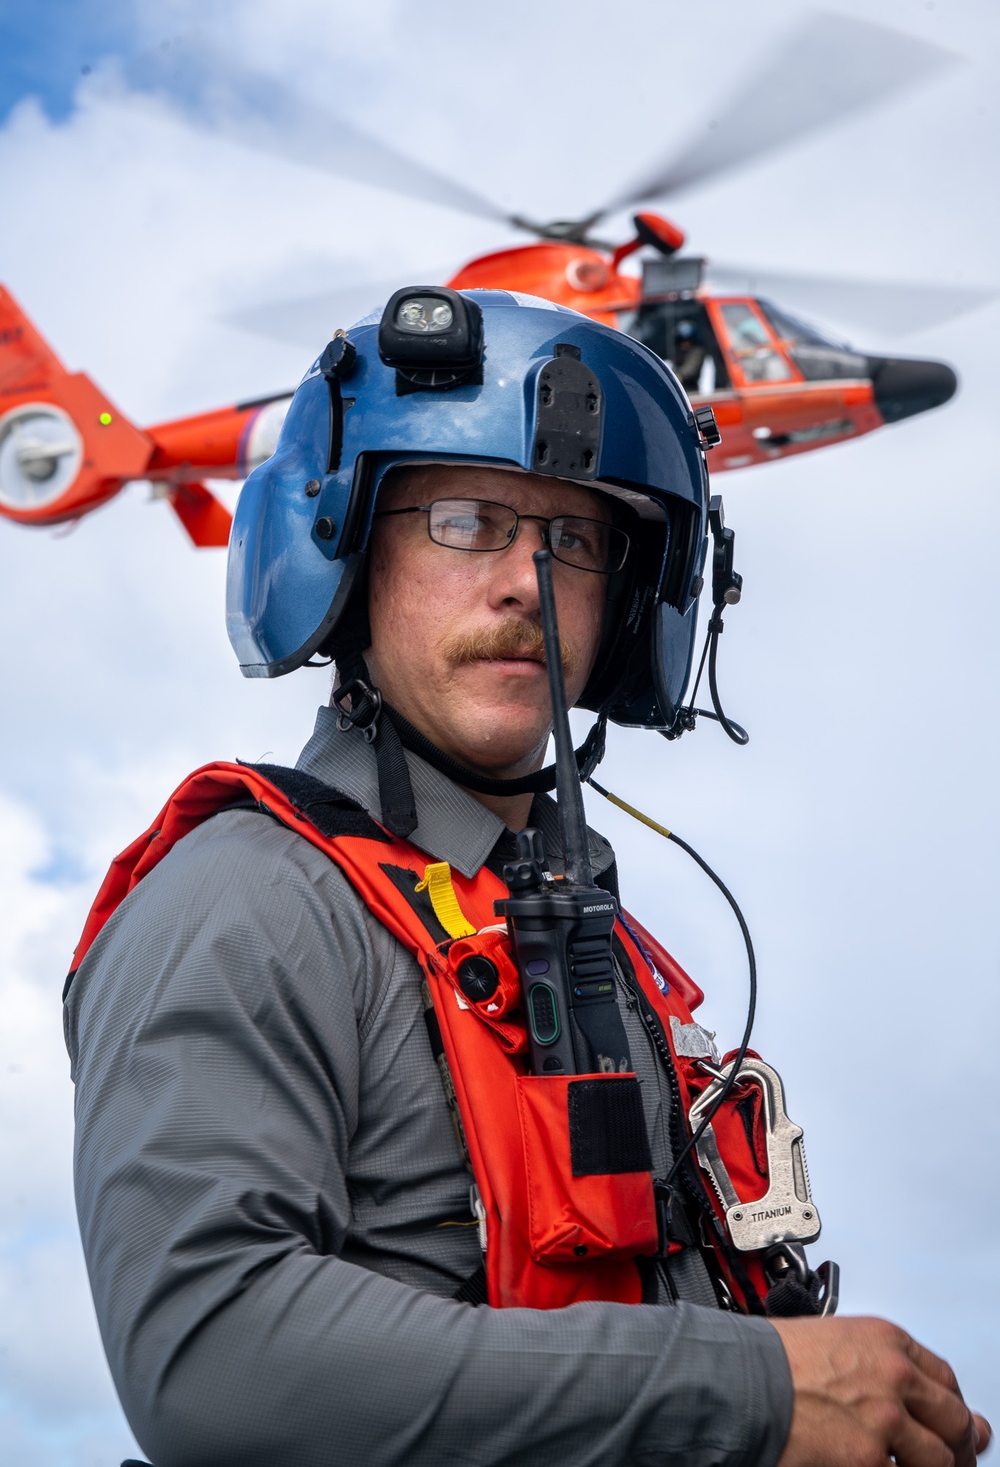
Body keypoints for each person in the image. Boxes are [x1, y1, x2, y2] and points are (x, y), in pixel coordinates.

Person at [65, 289, 989, 1467]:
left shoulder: (584, 936)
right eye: (465, 521)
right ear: (347, 552)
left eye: (575, 541)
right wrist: (746, 1391)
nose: (525, 582)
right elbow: (207, 1362)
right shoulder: (250, 900)